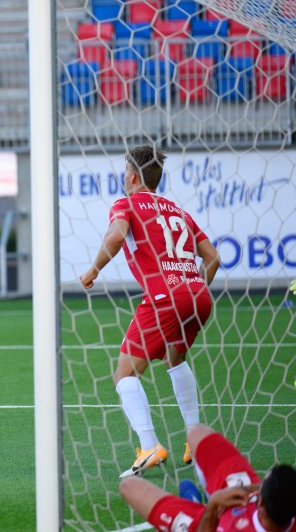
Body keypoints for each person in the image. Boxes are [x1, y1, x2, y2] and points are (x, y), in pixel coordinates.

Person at [79, 145, 220, 478]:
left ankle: (149, 445)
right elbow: (213, 257)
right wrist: (192, 287)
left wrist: (93, 270)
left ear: (131, 174)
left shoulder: (126, 204)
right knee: (176, 360)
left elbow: (115, 237)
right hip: (198, 297)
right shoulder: (177, 211)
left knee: (124, 374)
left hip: (164, 297)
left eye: (125, 169)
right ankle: (195, 439)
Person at [120, 423, 296, 531]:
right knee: (197, 433)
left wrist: (213, 505)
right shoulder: (281, 509)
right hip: (237, 495)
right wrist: (253, 488)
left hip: (206, 524)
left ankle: (197, 504)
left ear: (262, 503)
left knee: (129, 486)